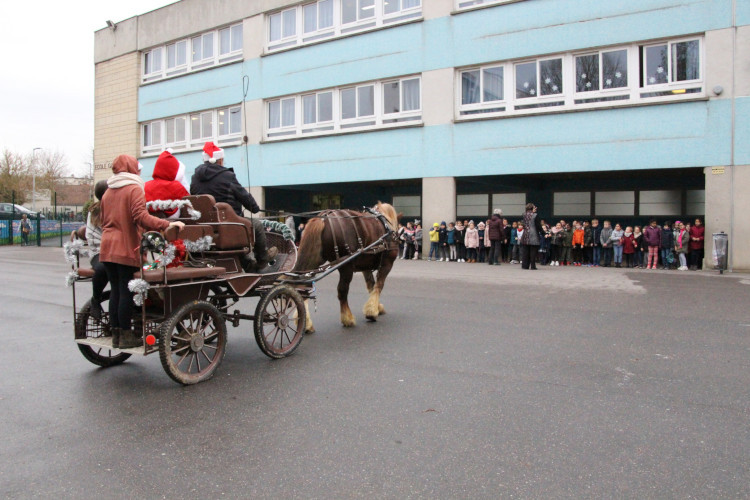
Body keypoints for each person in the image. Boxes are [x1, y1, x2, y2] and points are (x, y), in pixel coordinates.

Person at [100, 155, 185, 349]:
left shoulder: (108, 191)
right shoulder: (133, 188)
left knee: (115, 291)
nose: (139, 171)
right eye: (137, 168)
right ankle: (128, 336)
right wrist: (167, 224)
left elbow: (105, 219)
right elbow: (140, 217)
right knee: (125, 292)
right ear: (130, 168)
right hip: (124, 247)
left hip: (106, 247)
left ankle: (117, 335)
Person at [190, 142, 276, 271]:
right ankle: (262, 260)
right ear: (219, 160)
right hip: (228, 224)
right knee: (256, 225)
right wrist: (254, 207)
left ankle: (246, 263)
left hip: (205, 226)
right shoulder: (227, 176)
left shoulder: (195, 178)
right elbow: (243, 196)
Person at [86, 180, 111, 322]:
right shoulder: (95, 211)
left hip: (114, 251)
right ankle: (95, 298)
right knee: (103, 267)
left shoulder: (112, 208)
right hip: (99, 252)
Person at [144, 150, 190, 219]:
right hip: (170, 223)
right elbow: (188, 202)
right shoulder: (176, 186)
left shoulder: (145, 185)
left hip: (147, 223)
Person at [520, 203, 542, 270]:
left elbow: (524, 223)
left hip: (526, 233)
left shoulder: (524, 214)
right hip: (533, 234)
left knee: (526, 250)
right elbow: (538, 226)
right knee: (533, 251)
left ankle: (525, 265)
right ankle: (533, 266)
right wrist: (544, 233)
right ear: (532, 208)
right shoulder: (535, 215)